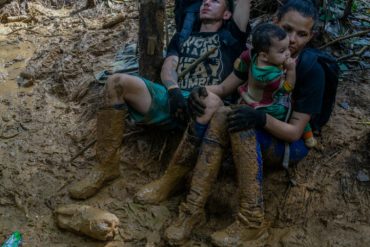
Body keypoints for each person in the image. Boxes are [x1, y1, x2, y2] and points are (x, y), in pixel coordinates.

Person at [162, 0, 325, 245]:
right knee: (224, 114)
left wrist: (259, 117)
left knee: (241, 122)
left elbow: (293, 132)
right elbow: (226, 86)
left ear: (310, 36)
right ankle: (191, 210)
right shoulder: (253, 55)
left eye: (301, 34)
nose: (292, 40)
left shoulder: (312, 70)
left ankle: (252, 221)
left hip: (288, 142)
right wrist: (199, 90)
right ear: (274, 24)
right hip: (256, 124)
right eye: (287, 29)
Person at [68, 0, 252, 200]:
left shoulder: (232, 37)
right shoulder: (183, 36)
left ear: (227, 14)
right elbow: (169, 66)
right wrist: (173, 90)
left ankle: (170, 180)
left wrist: (197, 93)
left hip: (204, 104)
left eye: (215, 1)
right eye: (205, 0)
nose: (207, 2)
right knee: (116, 82)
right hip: (174, 98)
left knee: (212, 102)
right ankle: (105, 167)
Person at [238, 23, 317, 147]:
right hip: (269, 108)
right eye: (282, 51)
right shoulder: (272, 75)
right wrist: (291, 70)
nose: (287, 53)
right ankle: (309, 139)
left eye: (286, 49)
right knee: (295, 112)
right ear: (264, 55)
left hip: (249, 99)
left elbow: (240, 65)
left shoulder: (252, 56)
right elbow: (287, 88)